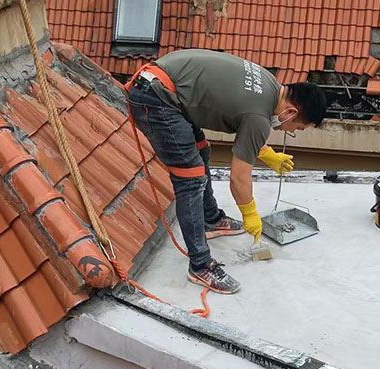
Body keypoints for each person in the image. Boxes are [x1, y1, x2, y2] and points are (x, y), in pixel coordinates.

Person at [127, 49, 327, 294]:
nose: (291, 131)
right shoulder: (259, 116)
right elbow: (238, 179)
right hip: (157, 98)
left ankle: (210, 220)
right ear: (291, 112)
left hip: (161, 84)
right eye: (297, 128)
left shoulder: (269, 84)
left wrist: (267, 154)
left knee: (201, 150)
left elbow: (247, 121)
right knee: (190, 178)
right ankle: (200, 266)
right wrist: (250, 213)